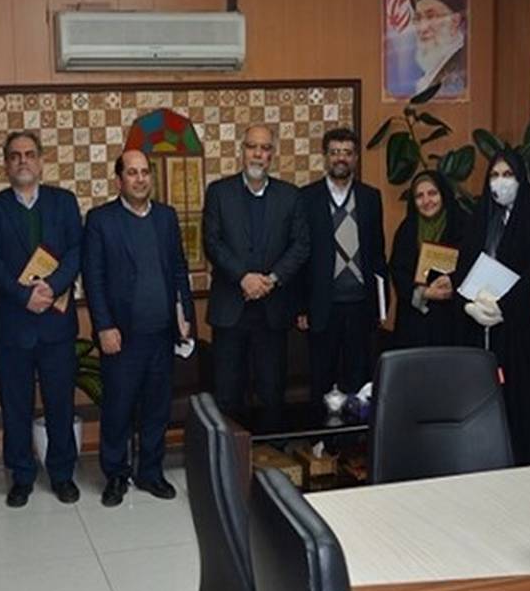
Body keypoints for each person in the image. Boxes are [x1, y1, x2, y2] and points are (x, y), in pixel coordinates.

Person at [0, 131, 83, 508]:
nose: (23, 161)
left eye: (30, 154)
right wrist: (24, 296)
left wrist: (52, 286)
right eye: (15, 155)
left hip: (56, 324)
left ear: (41, 161)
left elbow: (76, 252)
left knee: (60, 405)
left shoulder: (64, 202)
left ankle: (62, 474)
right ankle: (21, 476)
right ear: (6, 164)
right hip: (13, 325)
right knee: (16, 407)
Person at [83, 149, 194, 507]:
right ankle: (116, 475)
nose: (140, 179)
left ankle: (150, 472)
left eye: (145, 172)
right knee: (117, 409)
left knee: (157, 409)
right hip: (122, 335)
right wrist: (104, 326)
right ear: (119, 180)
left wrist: (184, 314)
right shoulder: (101, 220)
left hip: (161, 333)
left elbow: (178, 269)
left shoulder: (166, 217)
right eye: (132, 173)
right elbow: (94, 278)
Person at [204, 125, 309, 429]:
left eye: (265, 148)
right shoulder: (219, 193)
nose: (258, 154)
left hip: (272, 312)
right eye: (252, 147)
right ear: (242, 151)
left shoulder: (290, 196)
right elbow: (212, 242)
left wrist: (271, 279)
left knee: (272, 393)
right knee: (227, 394)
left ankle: (270, 453)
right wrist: (243, 278)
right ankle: (228, 456)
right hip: (230, 310)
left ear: (272, 154)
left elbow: (301, 245)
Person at [456, 150, 530, 464]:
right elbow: (465, 263)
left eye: (508, 175)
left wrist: (506, 307)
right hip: (481, 326)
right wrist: (469, 303)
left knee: (520, 403)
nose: (501, 182)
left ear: (521, 178)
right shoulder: (482, 215)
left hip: (521, 329)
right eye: (495, 175)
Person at [297, 127, 387, 396]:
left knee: (359, 380)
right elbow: (300, 256)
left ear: (355, 158)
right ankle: (323, 426)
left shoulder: (370, 197)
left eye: (347, 153)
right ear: (325, 157)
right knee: (321, 379)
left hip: (360, 304)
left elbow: (378, 254)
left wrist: (381, 305)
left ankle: (356, 426)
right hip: (322, 305)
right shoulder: (306, 198)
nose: (341, 158)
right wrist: (301, 307)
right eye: (335, 152)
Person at [390, 170, 467, 349]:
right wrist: (422, 293)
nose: (426, 201)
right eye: (419, 196)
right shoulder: (407, 228)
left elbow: (471, 265)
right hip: (415, 322)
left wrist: (452, 281)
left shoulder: (463, 223)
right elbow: (397, 270)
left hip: (453, 319)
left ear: (443, 194)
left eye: (432, 193)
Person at [410, 0, 467, 97]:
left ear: (455, 21)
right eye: (418, 18)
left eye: (431, 16)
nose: (423, 27)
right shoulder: (432, 72)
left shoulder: (461, 73)